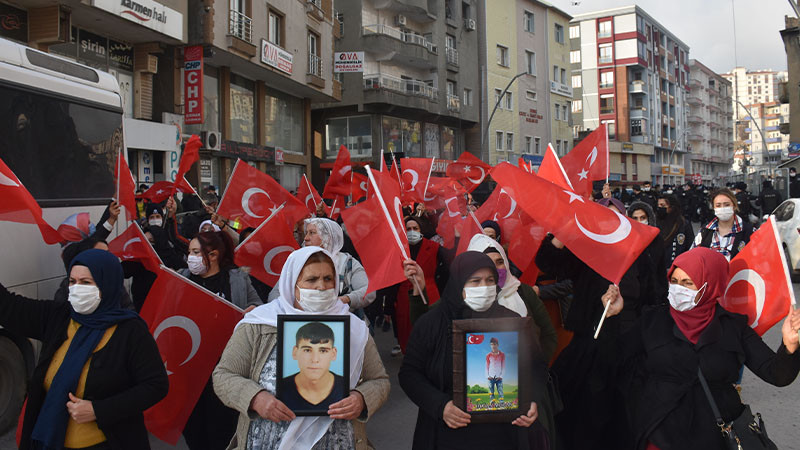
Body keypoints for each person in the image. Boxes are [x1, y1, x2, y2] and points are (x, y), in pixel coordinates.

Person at [609, 247, 800, 450]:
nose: (678, 289)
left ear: (710, 286)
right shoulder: (652, 320)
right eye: (674, 281)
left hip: (715, 435)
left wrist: (789, 346)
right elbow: (615, 359)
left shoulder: (734, 327)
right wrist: (614, 317)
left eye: (688, 283)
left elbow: (777, 374)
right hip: (659, 432)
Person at [212, 247, 390, 450]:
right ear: (292, 283)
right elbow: (224, 375)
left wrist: (361, 399)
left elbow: (379, 380)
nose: (321, 287)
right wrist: (255, 398)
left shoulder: (354, 329)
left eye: (328, 279)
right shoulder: (258, 324)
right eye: (312, 280)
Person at [1, 249, 168, 450]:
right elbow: (8, 307)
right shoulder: (59, 317)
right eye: (72, 281)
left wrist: (99, 410)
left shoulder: (131, 331)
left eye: (86, 282)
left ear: (108, 284)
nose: (77, 289)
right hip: (52, 441)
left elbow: (155, 385)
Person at [399, 252, 547, 450]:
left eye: (489, 280)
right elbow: (409, 373)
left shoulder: (512, 321)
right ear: (458, 283)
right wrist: (441, 406)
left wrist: (533, 399)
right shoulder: (432, 323)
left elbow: (536, 366)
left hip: (504, 435)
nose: (483, 287)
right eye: (475, 281)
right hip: (448, 433)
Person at [180, 231, 262, 449]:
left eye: (196, 252)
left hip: (225, 366)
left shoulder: (237, 278)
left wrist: (252, 311)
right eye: (189, 252)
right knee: (193, 429)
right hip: (191, 368)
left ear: (213, 255)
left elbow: (259, 306)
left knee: (222, 428)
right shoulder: (182, 278)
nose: (190, 257)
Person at [466, 234, 558, 361]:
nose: (495, 269)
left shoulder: (523, 291)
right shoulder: (466, 298)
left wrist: (537, 367)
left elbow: (548, 334)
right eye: (487, 262)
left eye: (499, 262)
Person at [269, 218, 374, 312]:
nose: (306, 238)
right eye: (306, 233)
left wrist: (346, 299)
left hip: (341, 324)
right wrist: (292, 308)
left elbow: (368, 291)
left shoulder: (347, 263)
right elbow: (275, 294)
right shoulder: (298, 261)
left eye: (312, 233)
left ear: (327, 237)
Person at [277, 322, 345, 411]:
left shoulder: (346, 387)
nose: (314, 359)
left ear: (333, 354)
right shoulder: (280, 388)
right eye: (307, 350)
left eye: (323, 351)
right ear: (295, 352)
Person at [693, 188, 753, 260]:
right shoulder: (704, 231)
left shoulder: (749, 231)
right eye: (718, 205)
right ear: (713, 208)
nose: (723, 208)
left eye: (727, 205)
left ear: (734, 206)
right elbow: (694, 256)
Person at [656, 194, 694, 268]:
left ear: (672, 207)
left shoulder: (683, 224)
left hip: (678, 266)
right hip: (659, 267)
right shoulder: (655, 223)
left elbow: (690, 245)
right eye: (658, 205)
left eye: (663, 206)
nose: (660, 208)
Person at [486, 337, 505, 401]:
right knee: (491, 393)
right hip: (490, 377)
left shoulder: (502, 354)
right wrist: (487, 376)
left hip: (499, 377)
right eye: (491, 344)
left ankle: (501, 404)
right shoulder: (488, 355)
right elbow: (487, 366)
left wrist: (501, 376)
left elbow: (503, 366)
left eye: (494, 344)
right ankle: (492, 405)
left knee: (500, 392)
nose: (493, 346)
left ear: (497, 345)